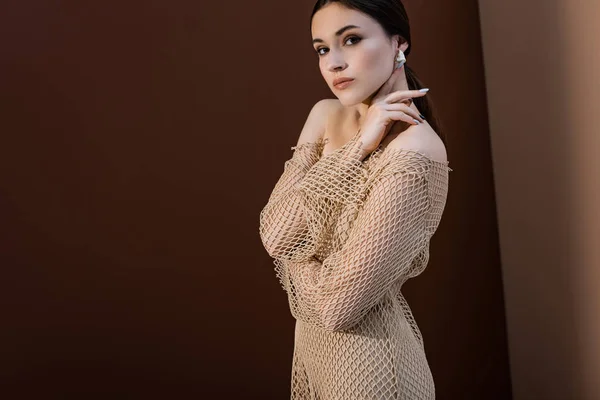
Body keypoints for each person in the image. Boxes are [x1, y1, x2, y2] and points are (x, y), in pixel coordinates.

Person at [259, 1, 451, 398]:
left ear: (399, 42)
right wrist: (359, 147)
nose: (334, 63)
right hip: (314, 362)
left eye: (352, 39)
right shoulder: (325, 114)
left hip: (373, 373)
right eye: (322, 49)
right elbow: (276, 235)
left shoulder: (415, 150)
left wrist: (299, 254)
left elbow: (337, 306)